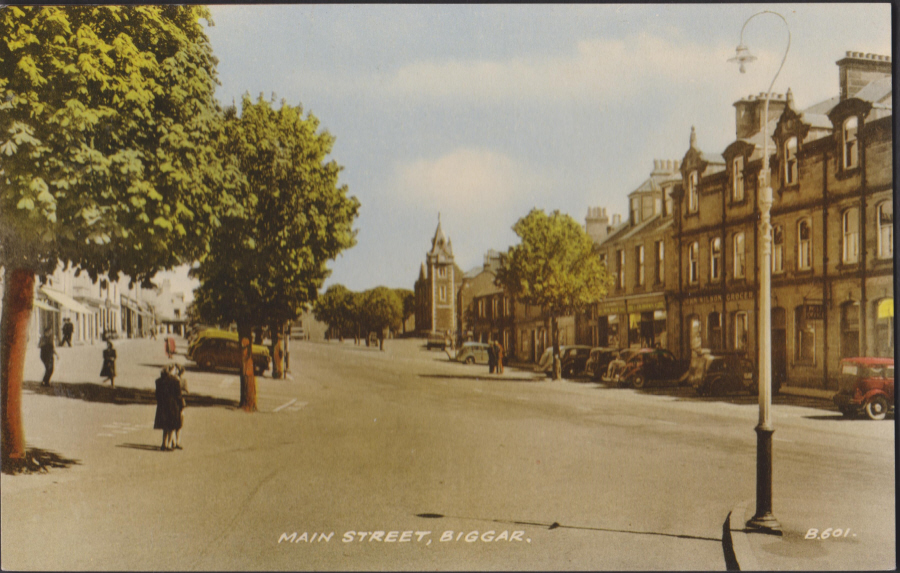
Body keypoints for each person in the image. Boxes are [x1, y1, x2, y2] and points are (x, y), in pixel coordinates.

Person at [154, 365, 185, 451]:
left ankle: (163, 444)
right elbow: (179, 395)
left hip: (162, 405)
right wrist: (182, 405)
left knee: (165, 426)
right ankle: (169, 444)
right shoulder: (175, 381)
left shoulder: (158, 381)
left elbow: (157, 395)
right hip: (173, 406)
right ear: (172, 371)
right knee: (172, 426)